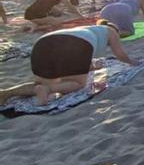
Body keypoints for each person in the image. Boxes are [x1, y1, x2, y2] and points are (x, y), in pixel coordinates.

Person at [0, 22, 134, 106]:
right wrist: (133, 63)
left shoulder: (85, 29)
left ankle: (9, 92)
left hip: (42, 43)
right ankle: (49, 90)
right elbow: (120, 54)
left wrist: (91, 67)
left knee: (40, 83)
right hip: (75, 43)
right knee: (78, 84)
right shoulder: (110, 31)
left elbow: (82, 63)